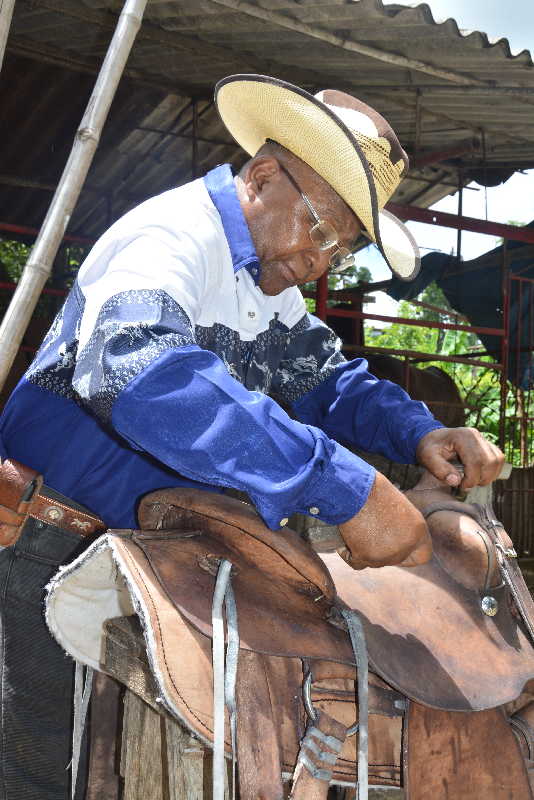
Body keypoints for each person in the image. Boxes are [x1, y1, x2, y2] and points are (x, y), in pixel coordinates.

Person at [0, 75, 503, 799]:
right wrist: (338, 484)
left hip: (159, 545)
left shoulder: (268, 287)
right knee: (44, 774)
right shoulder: (170, 236)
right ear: (263, 177)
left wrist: (420, 431)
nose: (319, 263)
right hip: (58, 538)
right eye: (321, 232)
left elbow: (327, 380)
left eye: (341, 250)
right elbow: (136, 370)